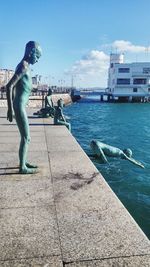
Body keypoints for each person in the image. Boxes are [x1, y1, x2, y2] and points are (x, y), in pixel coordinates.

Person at [6, 41, 42, 174]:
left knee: (25, 137)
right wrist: (11, 109)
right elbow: (9, 86)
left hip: (19, 105)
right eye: (37, 56)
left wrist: (14, 104)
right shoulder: (23, 67)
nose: (37, 60)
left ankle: (23, 161)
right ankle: (22, 167)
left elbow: (15, 87)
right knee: (26, 137)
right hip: (19, 106)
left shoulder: (24, 66)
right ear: (31, 52)